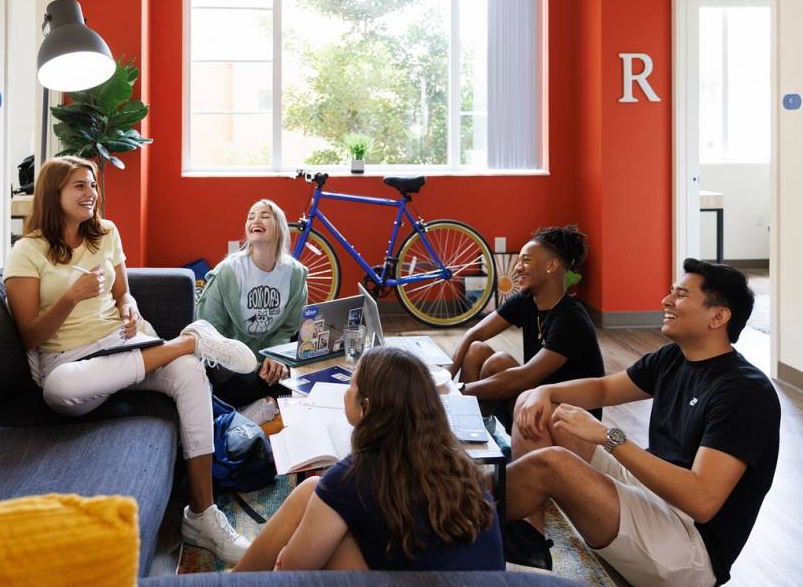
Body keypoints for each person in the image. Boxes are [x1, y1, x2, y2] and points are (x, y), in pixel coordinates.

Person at [3, 156, 257, 564]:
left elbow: (124, 292)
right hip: (73, 365)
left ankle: (203, 516)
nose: (92, 194)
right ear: (54, 193)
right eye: (80, 187)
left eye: (94, 185)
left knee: (190, 373)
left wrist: (129, 308)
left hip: (123, 345)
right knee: (58, 388)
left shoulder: (105, 233)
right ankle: (188, 342)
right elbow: (30, 334)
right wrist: (72, 296)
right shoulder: (27, 252)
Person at [504, 259, 780, 586]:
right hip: (652, 496)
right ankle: (532, 551)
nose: (665, 301)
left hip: (690, 547)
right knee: (541, 410)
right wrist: (542, 391)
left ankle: (449, 520)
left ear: (718, 316)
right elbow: (604, 388)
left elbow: (702, 501)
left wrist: (610, 438)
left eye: (680, 295)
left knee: (552, 465)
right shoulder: (674, 358)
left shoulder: (745, 392)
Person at [233, 346, 504, 572]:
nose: (345, 392)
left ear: (367, 406)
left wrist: (289, 557)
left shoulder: (353, 476)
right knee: (314, 496)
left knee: (319, 511)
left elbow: (290, 573)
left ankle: (233, 579)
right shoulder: (460, 462)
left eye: (351, 385)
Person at [449, 225, 605, 432]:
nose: (517, 268)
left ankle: (473, 427)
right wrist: (447, 377)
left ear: (551, 266)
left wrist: (456, 392)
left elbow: (525, 377)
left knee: (501, 364)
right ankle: (474, 427)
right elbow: (474, 334)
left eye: (525, 260)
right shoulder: (526, 300)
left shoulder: (571, 319)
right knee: (478, 350)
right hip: (536, 399)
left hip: (568, 422)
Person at [196, 199, 308, 418]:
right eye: (251, 217)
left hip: (272, 362)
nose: (256, 220)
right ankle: (260, 410)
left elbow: (289, 328)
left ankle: (256, 411)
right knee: (249, 384)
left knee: (299, 381)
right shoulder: (227, 272)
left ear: (280, 228)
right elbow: (208, 330)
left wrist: (276, 357)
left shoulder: (295, 274)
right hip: (230, 363)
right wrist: (251, 362)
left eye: (265, 216)